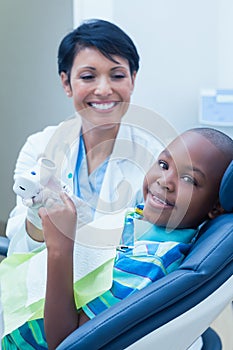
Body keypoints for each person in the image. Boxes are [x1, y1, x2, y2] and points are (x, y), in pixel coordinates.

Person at [2, 127, 232, 349]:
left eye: (189, 179)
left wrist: (60, 247)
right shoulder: (144, 218)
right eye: (163, 164)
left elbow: (67, 341)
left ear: (215, 207)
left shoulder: (150, 263)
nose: (164, 181)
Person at [5, 18, 162, 256]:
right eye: (88, 77)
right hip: (44, 281)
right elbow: (20, 246)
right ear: (66, 83)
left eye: (117, 76)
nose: (103, 89)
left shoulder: (157, 157)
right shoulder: (39, 146)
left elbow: (154, 246)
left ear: (133, 80)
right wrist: (37, 217)